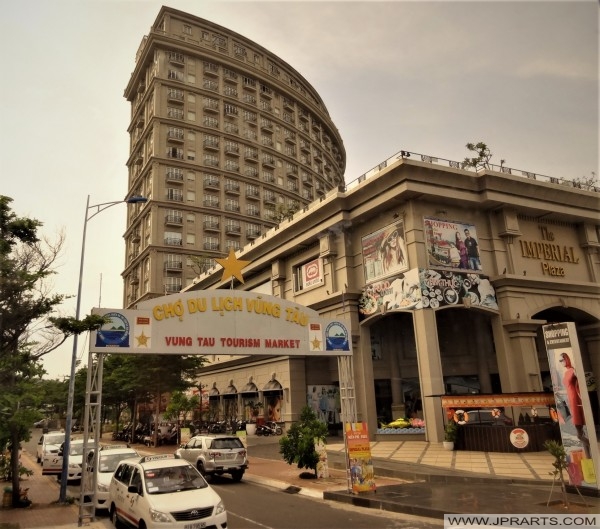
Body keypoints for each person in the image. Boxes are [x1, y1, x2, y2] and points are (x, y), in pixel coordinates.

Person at [559, 352, 591, 459]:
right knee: (579, 432)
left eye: (562, 360)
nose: (561, 362)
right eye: (560, 361)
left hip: (576, 401)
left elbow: (581, 384)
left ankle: (590, 448)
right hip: (570, 401)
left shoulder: (573, 371)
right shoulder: (566, 373)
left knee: (579, 431)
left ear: (566, 359)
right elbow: (568, 388)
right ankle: (589, 455)